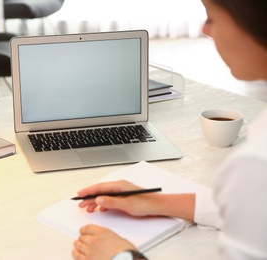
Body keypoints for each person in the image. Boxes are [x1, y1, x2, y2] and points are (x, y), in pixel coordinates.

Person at [72, 0, 267, 259]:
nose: (205, 30)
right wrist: (156, 202)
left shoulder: (256, 162)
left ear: (255, 20)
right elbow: (255, 211)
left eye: (212, 18)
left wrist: (120, 256)